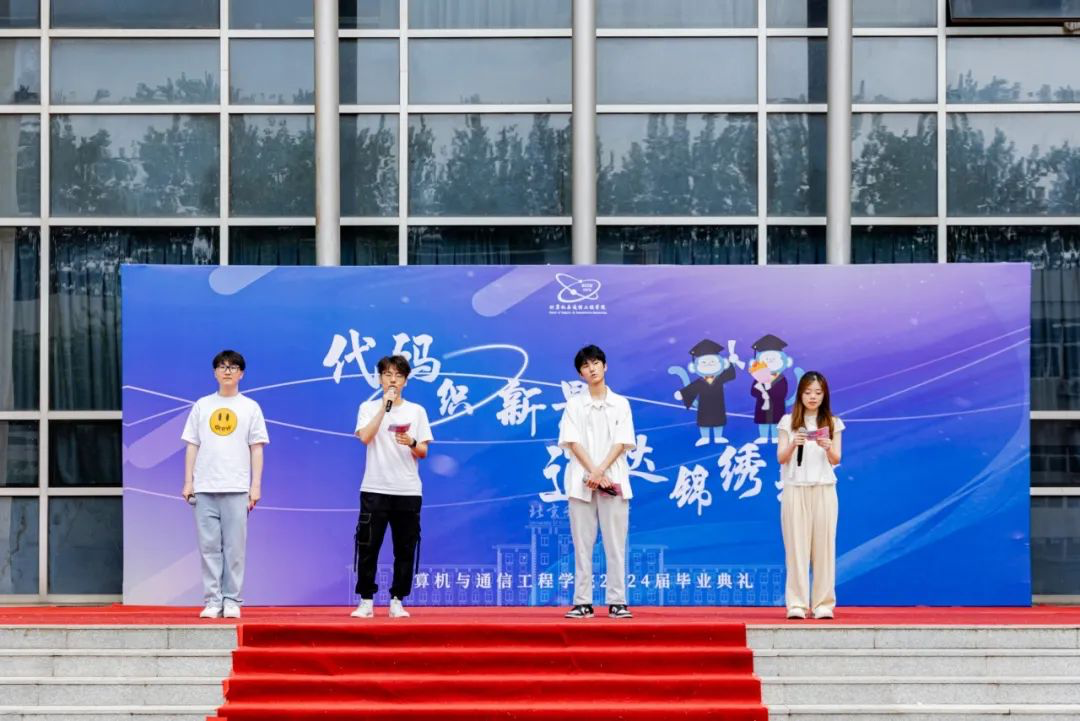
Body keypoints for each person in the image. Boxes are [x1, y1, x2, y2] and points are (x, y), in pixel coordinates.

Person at [181, 350, 269, 620]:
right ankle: (212, 600)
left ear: (241, 374)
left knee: (234, 549)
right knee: (208, 547)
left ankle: (232, 600)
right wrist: (188, 481)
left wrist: (255, 486)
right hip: (205, 487)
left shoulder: (250, 407)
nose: (227, 371)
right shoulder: (202, 405)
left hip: (237, 487)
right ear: (215, 373)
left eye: (233, 367)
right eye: (222, 366)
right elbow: (192, 445)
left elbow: (257, 448)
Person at [351, 355, 433, 619]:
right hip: (374, 488)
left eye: (398, 375)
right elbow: (365, 437)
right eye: (387, 375)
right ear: (380, 379)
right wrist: (383, 409)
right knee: (368, 546)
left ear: (406, 381)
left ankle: (397, 600)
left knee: (405, 548)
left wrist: (411, 442)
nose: (393, 380)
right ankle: (366, 600)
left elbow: (423, 451)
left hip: (407, 490)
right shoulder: (368, 407)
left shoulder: (417, 411)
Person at [558, 345, 636, 619]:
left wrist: (601, 471)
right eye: (585, 365)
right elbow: (572, 441)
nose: (591, 369)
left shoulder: (621, 404)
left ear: (605, 366)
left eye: (595, 363)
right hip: (581, 482)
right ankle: (583, 602)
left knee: (615, 543)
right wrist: (592, 472)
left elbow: (622, 442)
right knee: (582, 544)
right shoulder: (574, 405)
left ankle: (617, 601)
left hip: (613, 480)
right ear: (580, 373)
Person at [776, 371, 845, 620]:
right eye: (807, 392)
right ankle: (797, 603)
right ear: (800, 395)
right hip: (795, 489)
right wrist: (794, 443)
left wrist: (827, 447)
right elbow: (781, 458)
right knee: (796, 548)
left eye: (817, 392)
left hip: (824, 489)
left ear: (824, 395)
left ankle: (823, 604)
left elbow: (836, 459)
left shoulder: (833, 423)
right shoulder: (787, 422)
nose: (812, 397)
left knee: (824, 547)